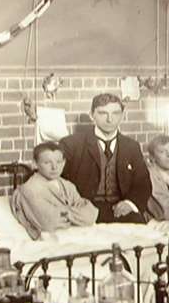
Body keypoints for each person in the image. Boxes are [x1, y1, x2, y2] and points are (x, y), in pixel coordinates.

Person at [61, 93, 152, 224]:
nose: (110, 119)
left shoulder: (131, 146)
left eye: (115, 113)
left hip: (121, 210)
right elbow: (60, 182)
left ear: (122, 115)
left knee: (143, 238)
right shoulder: (72, 144)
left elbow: (143, 183)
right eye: (103, 113)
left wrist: (129, 203)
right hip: (84, 212)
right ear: (92, 115)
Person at [11, 141, 99, 238]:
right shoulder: (29, 190)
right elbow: (48, 222)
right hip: (49, 240)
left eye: (59, 162)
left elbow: (91, 214)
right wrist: (78, 216)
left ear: (64, 163)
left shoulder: (67, 185)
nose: (55, 167)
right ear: (35, 164)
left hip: (77, 235)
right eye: (47, 162)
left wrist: (64, 213)